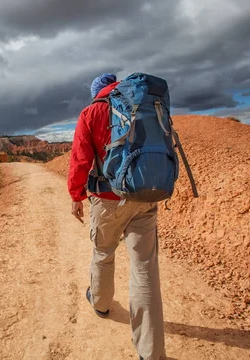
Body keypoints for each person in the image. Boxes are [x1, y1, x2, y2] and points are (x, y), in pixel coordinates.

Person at [68, 73, 166, 360]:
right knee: (145, 270)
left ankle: (100, 303)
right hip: (145, 197)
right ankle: (151, 353)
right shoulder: (145, 106)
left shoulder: (92, 111)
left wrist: (76, 195)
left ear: (96, 92)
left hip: (108, 200)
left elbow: (80, 159)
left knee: (103, 252)